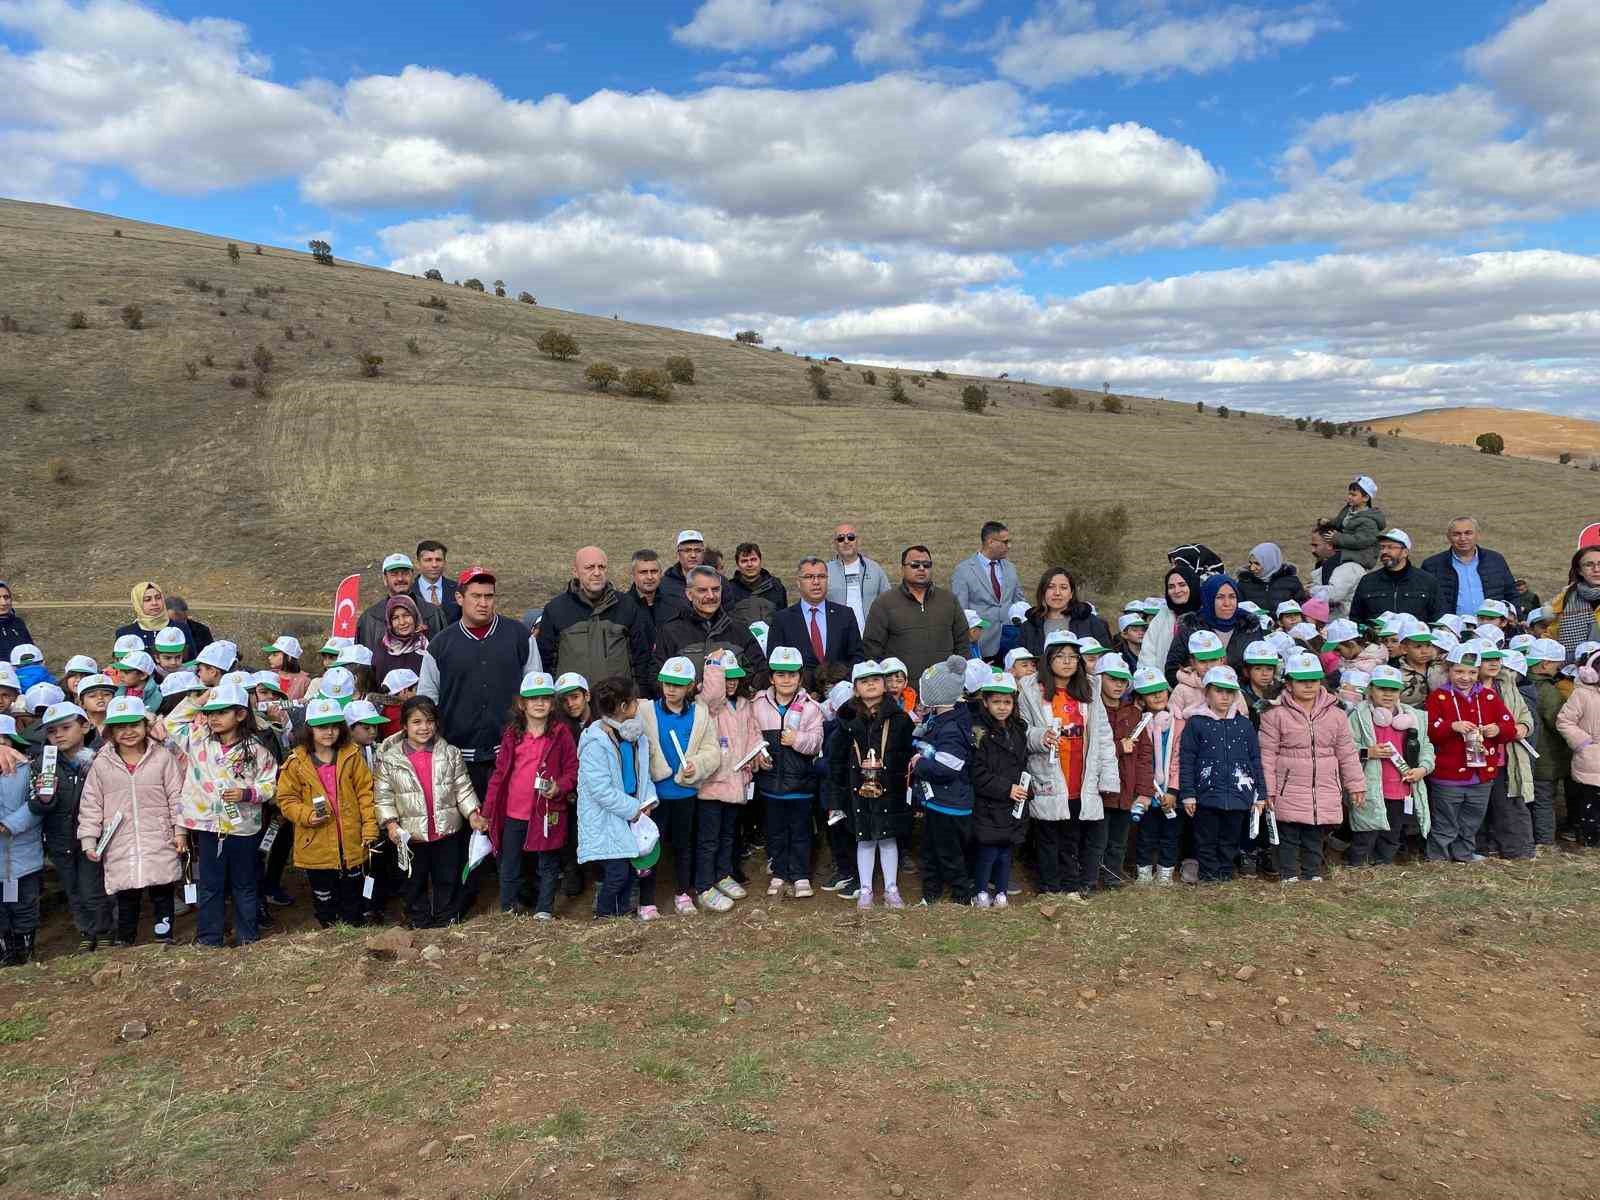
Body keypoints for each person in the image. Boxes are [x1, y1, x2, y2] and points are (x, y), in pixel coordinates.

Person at [166, 682, 279, 947]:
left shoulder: (257, 749)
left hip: (243, 828)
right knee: (210, 885)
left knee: (245, 884)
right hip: (208, 826)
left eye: (222, 712)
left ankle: (247, 936)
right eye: (210, 712)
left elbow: (270, 784)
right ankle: (209, 937)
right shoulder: (197, 739)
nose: (213, 718)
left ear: (240, 714)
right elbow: (172, 723)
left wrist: (247, 794)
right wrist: (196, 701)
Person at [418, 567, 539, 800]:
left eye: (489, 596)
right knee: (464, 830)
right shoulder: (440, 644)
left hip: (511, 752)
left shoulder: (519, 636)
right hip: (457, 755)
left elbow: (535, 693)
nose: (483, 603)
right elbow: (427, 700)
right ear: (459, 598)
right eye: (476, 596)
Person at [77, 696, 185, 946]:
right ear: (110, 731)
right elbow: (91, 804)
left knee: (162, 888)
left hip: (159, 835)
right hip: (118, 840)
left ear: (145, 727)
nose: (127, 732)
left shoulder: (162, 758)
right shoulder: (101, 764)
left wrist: (179, 832)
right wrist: (89, 841)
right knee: (126, 894)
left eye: (134, 725)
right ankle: (125, 939)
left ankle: (163, 935)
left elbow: (177, 797)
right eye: (120, 727)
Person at [1018, 632, 1118, 899]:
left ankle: (1071, 885)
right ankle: (1049, 887)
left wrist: (1108, 778)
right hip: (1048, 772)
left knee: (1073, 834)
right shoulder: (1030, 690)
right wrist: (1040, 736)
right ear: (1048, 659)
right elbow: (1021, 731)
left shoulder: (1088, 689)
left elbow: (1103, 735)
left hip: (1079, 776)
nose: (1067, 662)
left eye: (1073, 657)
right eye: (1060, 656)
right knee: (1048, 835)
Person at [375, 695, 487, 927]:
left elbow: (462, 788)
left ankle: (445, 917)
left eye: (429, 721)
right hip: (411, 835)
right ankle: (419, 919)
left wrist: (473, 814)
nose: (424, 727)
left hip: (445, 831)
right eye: (416, 722)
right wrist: (391, 824)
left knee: (446, 877)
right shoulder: (390, 758)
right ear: (404, 725)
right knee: (413, 880)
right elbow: (383, 797)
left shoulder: (450, 753)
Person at [481, 672, 580, 918]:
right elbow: (500, 774)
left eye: (545, 698)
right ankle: (508, 908)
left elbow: (573, 769)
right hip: (514, 812)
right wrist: (488, 811)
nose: (539, 704)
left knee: (548, 862)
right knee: (509, 863)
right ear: (521, 703)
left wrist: (560, 786)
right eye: (533, 699)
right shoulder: (512, 735)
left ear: (552, 703)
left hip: (547, 811)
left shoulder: (561, 733)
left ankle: (544, 909)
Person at [1260, 652, 1365, 883]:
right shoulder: (1274, 715)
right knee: (1288, 833)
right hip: (1289, 788)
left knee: (1315, 833)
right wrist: (1268, 789)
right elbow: (1267, 755)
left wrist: (1356, 784)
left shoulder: (1337, 715)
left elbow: (1347, 753)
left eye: (1314, 680)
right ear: (1288, 683)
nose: (1309, 685)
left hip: (1324, 786)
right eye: (1301, 680)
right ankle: (1288, 874)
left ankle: (1312, 872)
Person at [275, 697, 378, 928]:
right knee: (324, 897)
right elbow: (286, 799)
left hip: (351, 840)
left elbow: (365, 793)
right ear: (309, 729)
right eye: (322, 727)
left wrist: (370, 826)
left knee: (353, 894)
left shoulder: (351, 756)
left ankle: (354, 930)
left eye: (333, 726)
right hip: (316, 843)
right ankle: (330, 932)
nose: (329, 732)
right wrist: (307, 815)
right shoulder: (296, 763)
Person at [638, 655, 724, 916]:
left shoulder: (699, 714)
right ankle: (646, 900)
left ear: (690, 686)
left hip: (685, 793)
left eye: (677, 684)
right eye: (667, 683)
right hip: (654, 795)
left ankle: (683, 893)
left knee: (684, 846)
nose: (671, 689)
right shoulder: (645, 710)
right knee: (649, 847)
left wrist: (696, 765)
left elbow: (712, 750)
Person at [27, 702, 112, 951]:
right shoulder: (42, 764)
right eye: (52, 731)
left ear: (85, 726)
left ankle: (104, 929)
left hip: (92, 836)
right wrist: (44, 797)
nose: (59, 735)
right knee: (72, 888)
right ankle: (86, 931)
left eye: (66, 727)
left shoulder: (100, 759)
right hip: (59, 838)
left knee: (93, 887)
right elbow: (36, 806)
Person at [829, 661, 914, 909]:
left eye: (875, 679)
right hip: (856, 790)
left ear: (884, 685)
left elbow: (908, 754)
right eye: (864, 681)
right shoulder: (845, 721)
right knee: (863, 839)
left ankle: (891, 889)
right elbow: (835, 762)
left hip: (891, 789)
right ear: (855, 689)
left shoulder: (900, 718)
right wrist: (835, 799)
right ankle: (865, 889)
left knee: (889, 839)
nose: (870, 684)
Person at [1425, 643, 1516, 862]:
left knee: (1472, 819)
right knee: (1445, 819)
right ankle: (1438, 857)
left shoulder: (1489, 697)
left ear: (1479, 672)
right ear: (1449, 670)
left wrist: (1497, 730)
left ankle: (1463, 853)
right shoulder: (1439, 697)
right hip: (1448, 775)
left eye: (1472, 672)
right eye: (1459, 671)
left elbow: (1510, 727)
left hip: (1482, 773)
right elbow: (1427, 730)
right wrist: (1451, 726)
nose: (1465, 677)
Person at [576, 676, 657, 918]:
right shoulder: (595, 743)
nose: (637, 706)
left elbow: (645, 775)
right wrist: (633, 809)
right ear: (623, 707)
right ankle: (603, 916)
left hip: (631, 814)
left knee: (630, 873)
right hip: (608, 819)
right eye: (634, 702)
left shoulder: (636, 737)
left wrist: (648, 800)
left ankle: (621, 916)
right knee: (617, 874)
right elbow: (601, 790)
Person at [1178, 666, 1267, 884]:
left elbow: (1255, 759)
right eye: (1219, 691)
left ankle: (1225, 874)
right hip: (1207, 794)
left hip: (1238, 795)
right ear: (1206, 692)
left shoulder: (1244, 725)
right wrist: (1188, 793)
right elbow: (1187, 759)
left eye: (1230, 692)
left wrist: (1260, 794)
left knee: (1230, 838)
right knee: (1206, 838)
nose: (1225, 697)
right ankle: (1209, 875)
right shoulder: (1196, 723)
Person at [750, 646, 823, 899]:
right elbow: (752, 737)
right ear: (771, 678)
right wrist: (759, 756)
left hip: (801, 786)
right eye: (780, 674)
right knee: (775, 831)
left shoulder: (811, 707)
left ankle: (801, 874)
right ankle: (780, 872)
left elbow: (816, 742)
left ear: (800, 677)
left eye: (792, 674)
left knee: (801, 832)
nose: (786, 680)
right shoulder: (758, 705)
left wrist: (797, 739)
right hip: (770, 785)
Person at [1346, 665, 1434, 866]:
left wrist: (1423, 768)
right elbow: (1345, 749)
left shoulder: (1414, 717)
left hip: (1402, 787)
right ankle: (1357, 867)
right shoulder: (1357, 717)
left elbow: (1426, 748)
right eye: (1381, 688)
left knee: (1393, 832)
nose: (1388, 694)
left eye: (1393, 689)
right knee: (1365, 831)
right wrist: (1367, 752)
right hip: (1370, 787)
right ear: (1370, 690)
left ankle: (1383, 866)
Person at [910, 657, 978, 905]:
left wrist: (920, 764)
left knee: (949, 854)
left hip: (950, 804)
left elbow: (947, 767)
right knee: (930, 851)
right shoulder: (938, 720)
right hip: (936, 801)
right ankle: (931, 893)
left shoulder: (953, 728)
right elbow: (929, 747)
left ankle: (962, 896)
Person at [536, 547, 654, 690]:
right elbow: (545, 661)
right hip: (573, 705)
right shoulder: (555, 609)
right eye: (589, 567)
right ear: (575, 572)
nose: (597, 572)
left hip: (618, 703)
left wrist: (638, 695)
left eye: (601, 567)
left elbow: (641, 657)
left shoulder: (627, 606)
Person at [968, 671, 1029, 908]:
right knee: (988, 850)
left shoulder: (1017, 730)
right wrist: (1006, 789)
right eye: (996, 702)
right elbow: (977, 772)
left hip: (1015, 801)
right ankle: (982, 891)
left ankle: (1002, 892)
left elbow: (1023, 763)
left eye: (1007, 702)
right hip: (989, 803)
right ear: (985, 702)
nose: (1002, 707)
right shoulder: (979, 732)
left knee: (1006, 850)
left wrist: (1023, 788)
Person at [863, 546, 968, 681]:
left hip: (944, 688)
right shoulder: (884, 603)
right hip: (902, 691)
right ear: (902, 569)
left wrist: (957, 677)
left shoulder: (949, 600)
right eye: (915, 565)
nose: (921, 568)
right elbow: (872, 648)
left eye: (926, 565)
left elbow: (962, 642)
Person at [653, 567, 768, 688]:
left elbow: (759, 672)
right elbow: (657, 677)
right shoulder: (671, 631)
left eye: (715, 589)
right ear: (689, 594)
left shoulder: (738, 629)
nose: (711, 596)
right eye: (702, 590)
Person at [768, 557, 865, 683]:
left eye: (821, 576)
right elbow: (774, 662)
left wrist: (840, 685)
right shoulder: (781, 619)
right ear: (798, 582)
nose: (816, 582)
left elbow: (857, 657)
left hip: (840, 691)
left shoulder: (845, 615)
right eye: (809, 577)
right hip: (798, 692)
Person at [1129, 667, 1180, 883]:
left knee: (1170, 835)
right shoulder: (1136, 724)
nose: (1158, 695)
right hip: (1146, 792)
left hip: (1170, 792)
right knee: (1145, 834)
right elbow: (1139, 760)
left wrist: (1173, 791)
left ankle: (1166, 872)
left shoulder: (1179, 722)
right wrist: (1145, 790)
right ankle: (1143, 871)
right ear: (1140, 698)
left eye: (1161, 690)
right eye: (1151, 692)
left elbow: (1179, 759)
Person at [951, 522, 1025, 660]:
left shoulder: (1011, 568)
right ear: (991, 542)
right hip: (981, 646)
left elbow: (1020, 602)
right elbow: (961, 612)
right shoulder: (963, 571)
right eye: (1005, 542)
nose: (1009, 546)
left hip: (1012, 645)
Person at [0, 723, 42, 964]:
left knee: (20, 904)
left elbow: (37, 803)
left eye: (4, 742)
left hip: (20, 855)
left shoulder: (28, 770)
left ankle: (25, 950)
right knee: (2, 907)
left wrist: (9, 825)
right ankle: (6, 951)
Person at [1162, 574, 1251, 685]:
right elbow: (1172, 669)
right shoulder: (1190, 627)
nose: (1227, 603)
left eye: (1232, 597)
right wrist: (1196, 689)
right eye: (1219, 597)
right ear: (1208, 598)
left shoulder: (1249, 625)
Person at [1420, 517, 1518, 617]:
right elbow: (1424, 602)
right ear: (1448, 537)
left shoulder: (1496, 560)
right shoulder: (1432, 565)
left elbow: (1512, 593)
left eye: (1468, 533)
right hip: (1452, 629)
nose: (1463, 538)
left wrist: (1515, 615)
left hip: (1491, 626)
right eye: (1456, 534)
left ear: (1477, 535)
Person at [1526, 639, 1570, 849]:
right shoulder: (1548, 691)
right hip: (1546, 757)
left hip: (1528, 755)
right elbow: (1558, 722)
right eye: (1556, 665)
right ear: (1545, 664)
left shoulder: (1521, 683)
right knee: (1544, 800)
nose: (1558, 669)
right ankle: (1544, 841)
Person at [1349, 530, 1444, 626]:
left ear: (1405, 552)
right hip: (1378, 640)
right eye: (1382, 547)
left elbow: (1438, 618)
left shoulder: (1427, 581)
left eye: (1390, 547)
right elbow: (1356, 619)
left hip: (1413, 640)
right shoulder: (1368, 581)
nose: (1384, 551)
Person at [1020, 568, 1113, 661]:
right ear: (1043, 592)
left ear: (1071, 594)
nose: (1057, 593)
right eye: (1051, 587)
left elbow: (1108, 658)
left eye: (1063, 587)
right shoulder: (1029, 627)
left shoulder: (1090, 621)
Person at [1556, 648, 1600, 846]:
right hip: (1591, 757)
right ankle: (1589, 836)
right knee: (1590, 802)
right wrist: (1583, 742)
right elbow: (1564, 721)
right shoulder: (1582, 694)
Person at [358, 553, 446, 650]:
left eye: (405, 573)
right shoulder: (370, 618)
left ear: (412, 576)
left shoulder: (433, 614)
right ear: (385, 578)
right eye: (394, 574)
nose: (400, 578)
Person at [826, 522, 892, 635]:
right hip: (837, 638)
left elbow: (889, 602)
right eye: (841, 539)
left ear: (858, 541)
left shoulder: (875, 569)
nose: (846, 541)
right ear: (835, 544)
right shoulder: (825, 571)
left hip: (871, 637)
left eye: (850, 537)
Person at [1138, 565, 1200, 674]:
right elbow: (1148, 652)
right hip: (1163, 685)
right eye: (1171, 587)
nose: (1177, 590)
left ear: (1192, 584)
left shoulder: (1203, 614)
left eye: (1182, 585)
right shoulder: (1162, 615)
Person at [1317, 475, 1386, 569]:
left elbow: (1359, 541)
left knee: (1329, 565)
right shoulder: (1349, 509)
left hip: (1359, 557)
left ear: (1365, 498)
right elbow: (1341, 522)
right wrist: (1329, 522)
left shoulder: (1369, 521)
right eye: (1349, 494)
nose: (1349, 497)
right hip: (1346, 550)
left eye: (1353, 495)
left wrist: (1337, 538)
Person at [115, 581, 192, 657]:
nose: (154, 603)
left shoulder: (181, 628)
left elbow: (191, 660)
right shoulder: (125, 633)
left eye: (158, 598)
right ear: (137, 603)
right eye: (147, 599)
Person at [369, 594, 430, 687]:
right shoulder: (381, 648)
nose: (402, 622)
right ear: (389, 622)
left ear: (415, 616)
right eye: (395, 618)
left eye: (406, 615)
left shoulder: (427, 646)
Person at [1550, 545, 1600, 657]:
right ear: (1580, 571)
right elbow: (1552, 634)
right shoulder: (1566, 597)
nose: (1596, 569)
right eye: (1589, 565)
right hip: (1573, 667)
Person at [724, 543, 789, 627]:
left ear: (760, 561)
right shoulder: (729, 590)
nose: (749, 564)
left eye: (753, 559)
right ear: (738, 564)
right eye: (744, 561)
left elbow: (784, 619)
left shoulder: (776, 587)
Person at [1234, 543, 1308, 613]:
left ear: (1270, 562)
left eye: (1257, 563)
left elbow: (1302, 609)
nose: (1252, 568)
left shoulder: (1292, 583)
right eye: (1251, 563)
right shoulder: (1243, 584)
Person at [659, 531, 712, 616]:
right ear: (678, 554)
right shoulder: (664, 585)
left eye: (698, 550)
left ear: (703, 554)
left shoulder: (718, 580)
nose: (693, 555)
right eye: (687, 550)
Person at [626, 549, 671, 642]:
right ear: (633, 575)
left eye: (654, 571)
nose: (650, 577)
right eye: (643, 572)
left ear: (661, 573)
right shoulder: (623, 606)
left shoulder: (672, 604)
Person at [414, 539, 461, 621]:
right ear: (417, 564)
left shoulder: (458, 589)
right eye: (428, 560)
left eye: (438, 560)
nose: (434, 565)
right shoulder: (408, 591)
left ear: (445, 563)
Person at [0, 582, 33, 664]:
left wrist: (29, 666)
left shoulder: (18, 623)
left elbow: (29, 650)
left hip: (21, 673)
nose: (3, 603)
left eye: (6, 597)